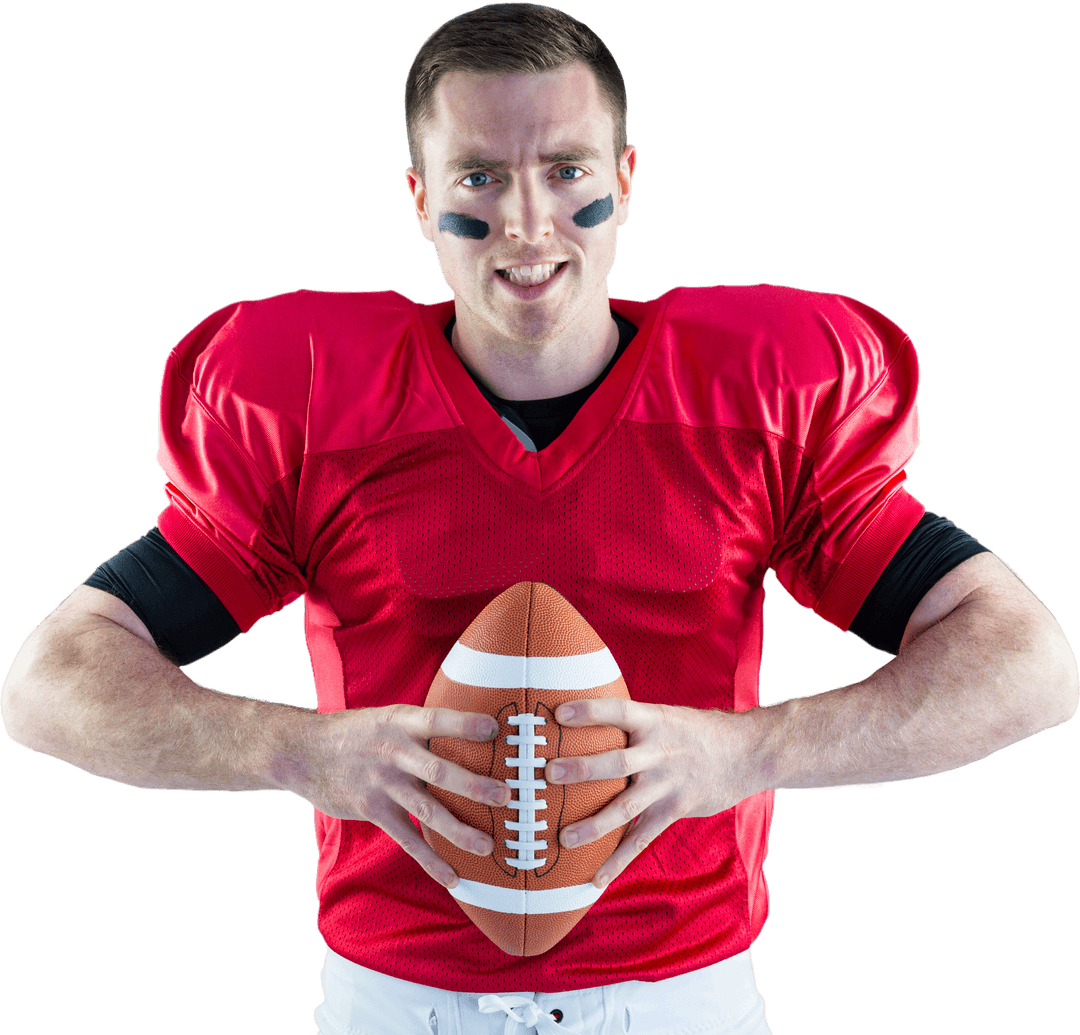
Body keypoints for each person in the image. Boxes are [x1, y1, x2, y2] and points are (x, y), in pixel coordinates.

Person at [2, 4, 1076, 1033]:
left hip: (679, 998)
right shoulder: (317, 411)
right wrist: (296, 751)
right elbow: (50, 685)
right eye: (481, 175)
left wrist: (746, 751)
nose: (526, 223)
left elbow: (1028, 664)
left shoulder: (752, 407)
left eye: (566, 172)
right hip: (395, 1000)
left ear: (624, 180)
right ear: (422, 199)